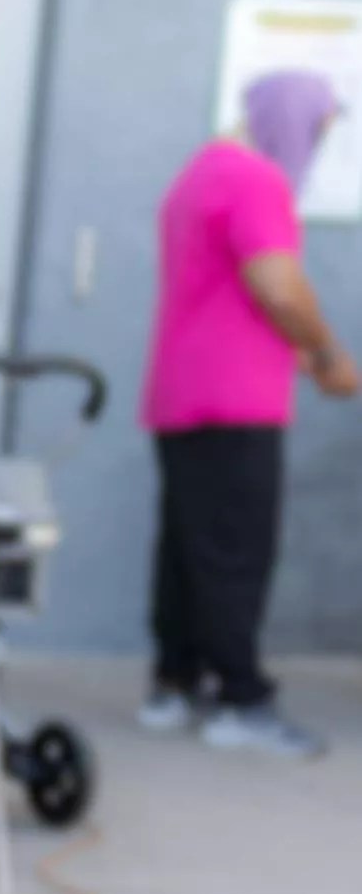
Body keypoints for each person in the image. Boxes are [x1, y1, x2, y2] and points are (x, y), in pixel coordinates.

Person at [139, 69, 358, 757]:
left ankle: (173, 685)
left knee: (187, 549)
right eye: (318, 127)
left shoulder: (200, 172)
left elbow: (224, 292)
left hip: (181, 393)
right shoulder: (256, 180)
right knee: (236, 552)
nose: (317, 142)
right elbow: (277, 285)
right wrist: (324, 354)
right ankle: (242, 701)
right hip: (233, 401)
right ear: (291, 118)